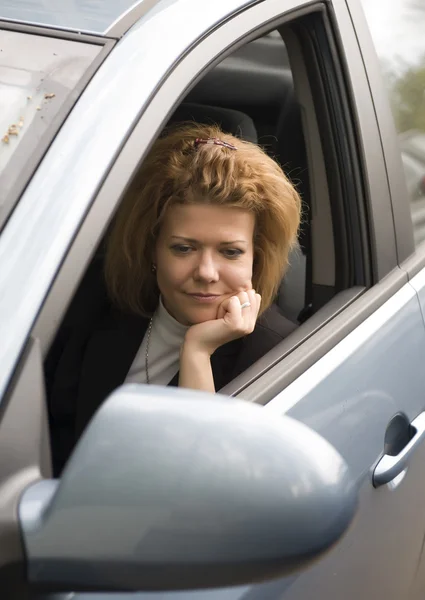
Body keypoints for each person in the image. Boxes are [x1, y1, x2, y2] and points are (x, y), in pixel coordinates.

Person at [47, 123, 301, 474]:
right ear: (151, 249)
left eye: (230, 252)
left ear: (256, 258)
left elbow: (200, 484)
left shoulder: (278, 356)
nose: (207, 272)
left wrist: (197, 352)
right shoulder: (91, 304)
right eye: (183, 248)